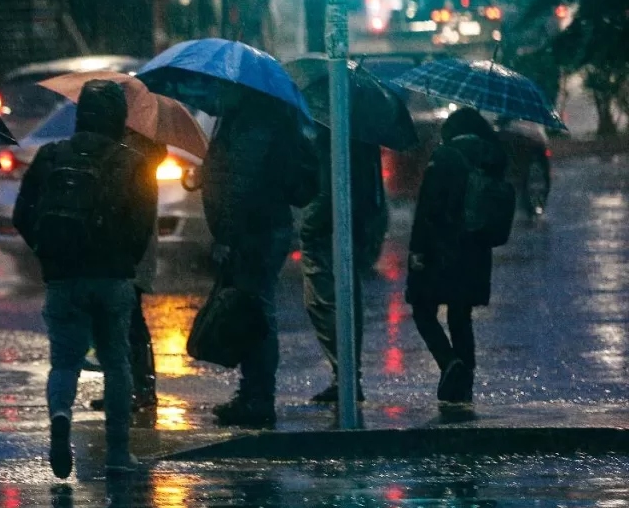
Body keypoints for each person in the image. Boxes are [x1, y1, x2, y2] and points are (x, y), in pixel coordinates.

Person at [13, 80, 157, 477]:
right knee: (116, 361)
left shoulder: (51, 155)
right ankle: (117, 451)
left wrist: (49, 253)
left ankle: (61, 418)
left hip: (63, 277)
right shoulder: (133, 162)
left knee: (64, 363)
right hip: (112, 277)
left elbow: (22, 215)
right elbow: (143, 225)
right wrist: (123, 259)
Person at [205, 92, 319, 428]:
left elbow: (240, 182)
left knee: (255, 313)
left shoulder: (251, 125)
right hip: (267, 226)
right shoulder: (270, 118)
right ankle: (253, 393)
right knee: (254, 310)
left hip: (253, 232)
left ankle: (258, 398)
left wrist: (225, 235)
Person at [407, 108, 507, 403]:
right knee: (460, 315)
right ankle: (465, 382)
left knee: (422, 309)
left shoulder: (445, 158)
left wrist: (418, 250)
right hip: (476, 252)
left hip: (442, 251)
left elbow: (427, 209)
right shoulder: (492, 158)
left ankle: (451, 363)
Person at [300, 130, 386, 403]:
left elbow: (328, 189)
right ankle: (347, 375)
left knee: (324, 301)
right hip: (356, 223)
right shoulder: (362, 134)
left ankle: (345, 376)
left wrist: (308, 227)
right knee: (347, 298)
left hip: (330, 228)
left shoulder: (331, 133)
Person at [90, 130, 164, 412]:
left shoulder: (136, 158)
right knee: (122, 319)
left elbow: (133, 211)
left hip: (131, 251)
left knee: (131, 320)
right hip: (127, 250)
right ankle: (128, 387)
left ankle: (141, 388)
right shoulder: (133, 154)